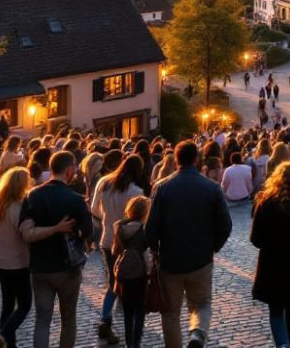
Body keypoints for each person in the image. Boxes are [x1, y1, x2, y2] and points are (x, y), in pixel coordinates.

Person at [144, 141, 232, 348]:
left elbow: (150, 228)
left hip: (170, 261)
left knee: (171, 312)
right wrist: (213, 247)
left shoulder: (162, 187)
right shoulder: (211, 187)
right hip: (200, 259)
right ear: (196, 159)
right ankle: (198, 333)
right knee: (201, 303)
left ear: (176, 159)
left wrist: (156, 253)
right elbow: (226, 224)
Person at [19, 151, 93, 348]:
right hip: (66, 267)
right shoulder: (75, 199)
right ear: (69, 171)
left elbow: (25, 231)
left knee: (42, 319)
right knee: (68, 319)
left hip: (40, 266)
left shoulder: (33, 195)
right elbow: (88, 231)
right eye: (75, 169)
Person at [91, 155, 145, 346]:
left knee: (112, 282)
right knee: (128, 287)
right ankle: (128, 332)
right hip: (127, 242)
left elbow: (94, 211)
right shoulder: (135, 191)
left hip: (107, 239)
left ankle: (106, 318)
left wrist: (105, 222)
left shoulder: (104, 183)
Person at [0, 167, 34, 348]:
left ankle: (9, 343)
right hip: (17, 261)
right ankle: (3, 336)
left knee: (7, 303)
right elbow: (25, 234)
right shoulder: (19, 207)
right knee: (24, 305)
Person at [110, 196, 151, 348]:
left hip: (124, 272)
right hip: (139, 274)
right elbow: (146, 255)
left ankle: (128, 343)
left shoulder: (120, 227)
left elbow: (114, 250)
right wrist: (148, 273)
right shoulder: (144, 229)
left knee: (127, 310)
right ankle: (136, 341)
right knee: (139, 309)